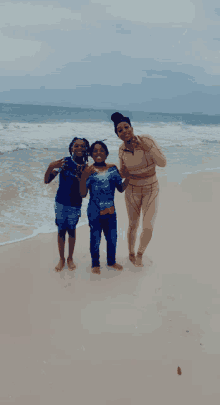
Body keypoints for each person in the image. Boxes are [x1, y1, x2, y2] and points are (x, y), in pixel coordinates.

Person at [111, 112, 167, 267]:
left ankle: (140, 253)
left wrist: (147, 148)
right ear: (117, 135)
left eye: (126, 127)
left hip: (151, 188)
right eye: (119, 130)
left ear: (132, 127)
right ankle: (130, 252)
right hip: (132, 190)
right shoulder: (121, 150)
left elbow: (162, 163)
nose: (124, 131)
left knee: (148, 225)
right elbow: (124, 173)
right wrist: (117, 173)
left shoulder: (147, 140)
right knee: (133, 224)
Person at [80, 141, 129, 275]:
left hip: (111, 211)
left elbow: (120, 188)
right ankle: (95, 263)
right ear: (90, 154)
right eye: (95, 151)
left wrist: (129, 177)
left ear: (107, 153)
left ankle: (111, 261)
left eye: (101, 150)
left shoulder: (113, 169)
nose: (98, 153)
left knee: (112, 237)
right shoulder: (89, 171)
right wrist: (84, 177)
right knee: (95, 238)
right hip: (94, 212)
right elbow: (83, 194)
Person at [44, 137, 90, 272]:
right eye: (76, 146)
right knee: (61, 231)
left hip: (75, 204)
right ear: (71, 148)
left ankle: (70, 258)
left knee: (71, 231)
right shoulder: (64, 162)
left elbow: (84, 193)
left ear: (86, 149)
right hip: (60, 202)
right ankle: (61, 259)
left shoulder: (87, 168)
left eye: (82, 146)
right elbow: (47, 180)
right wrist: (51, 166)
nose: (79, 148)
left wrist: (82, 177)